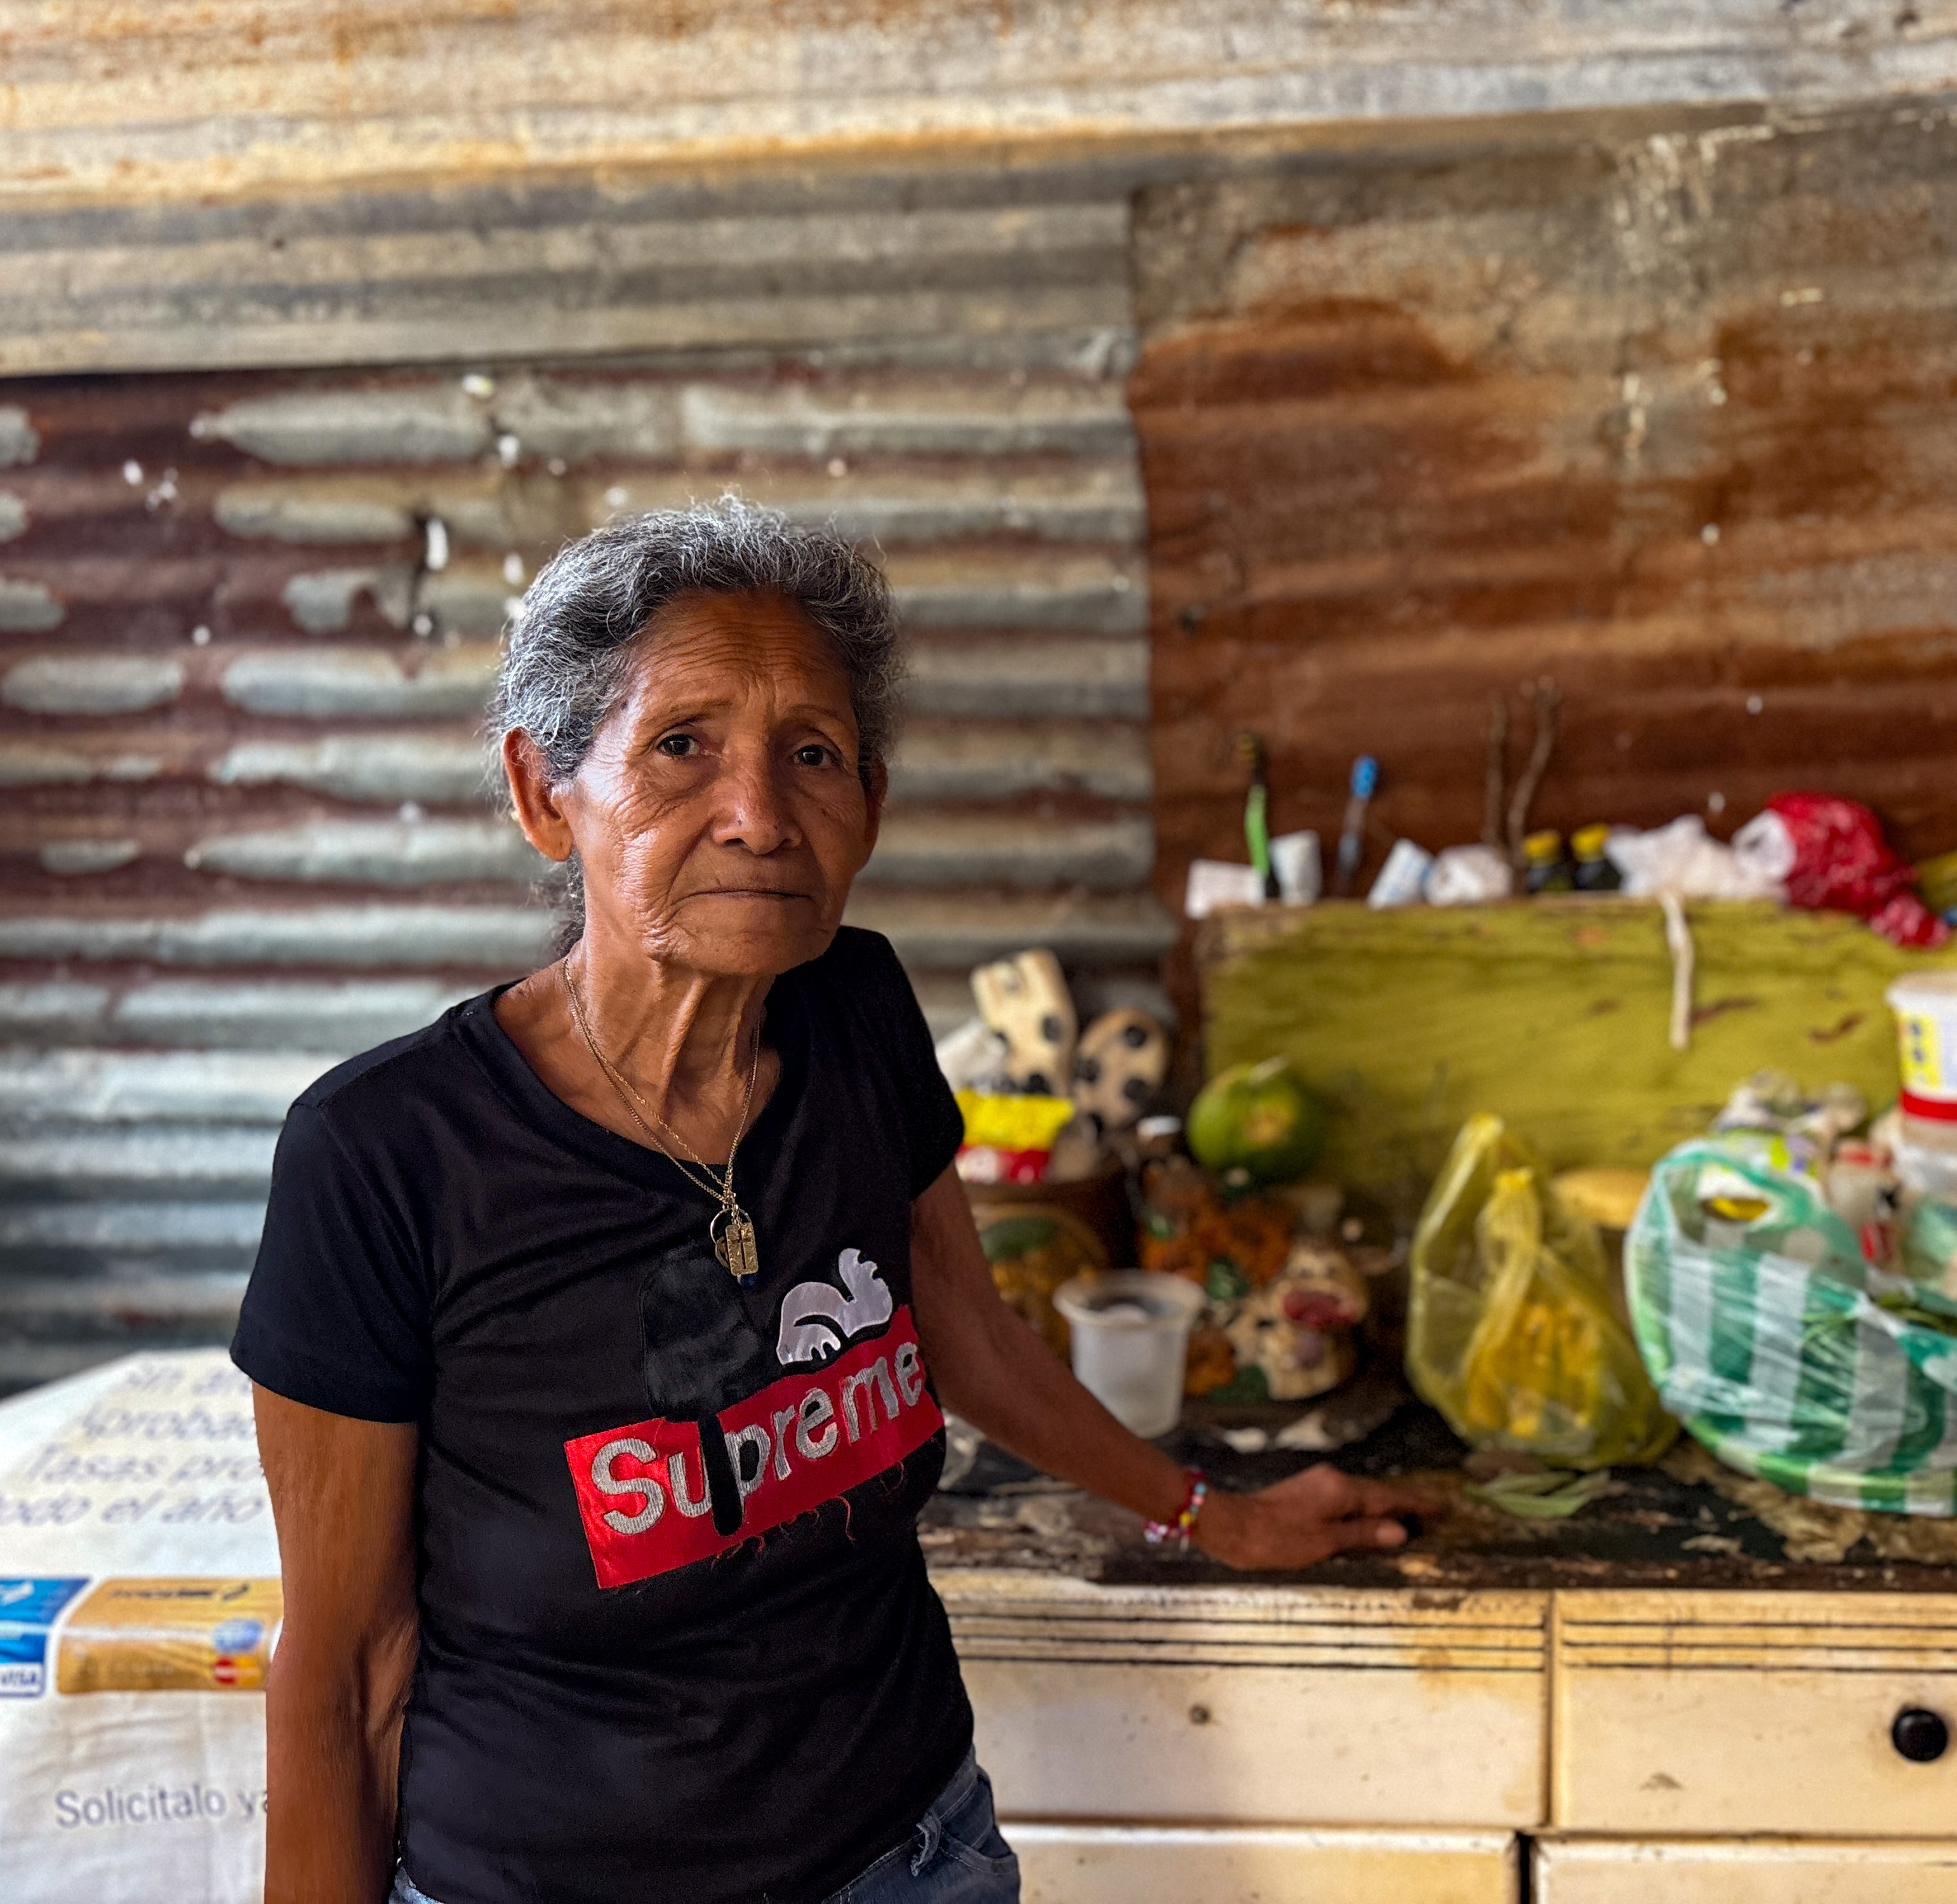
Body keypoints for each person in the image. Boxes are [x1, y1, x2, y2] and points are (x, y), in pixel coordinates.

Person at [234, 497, 1418, 1904]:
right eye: (681, 747)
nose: (759, 815)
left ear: (871, 804)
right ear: (545, 793)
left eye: (813, 755)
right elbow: (345, 1670)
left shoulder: (858, 1011)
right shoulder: (385, 1154)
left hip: (910, 1853)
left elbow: (960, 1332)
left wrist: (1209, 1510)